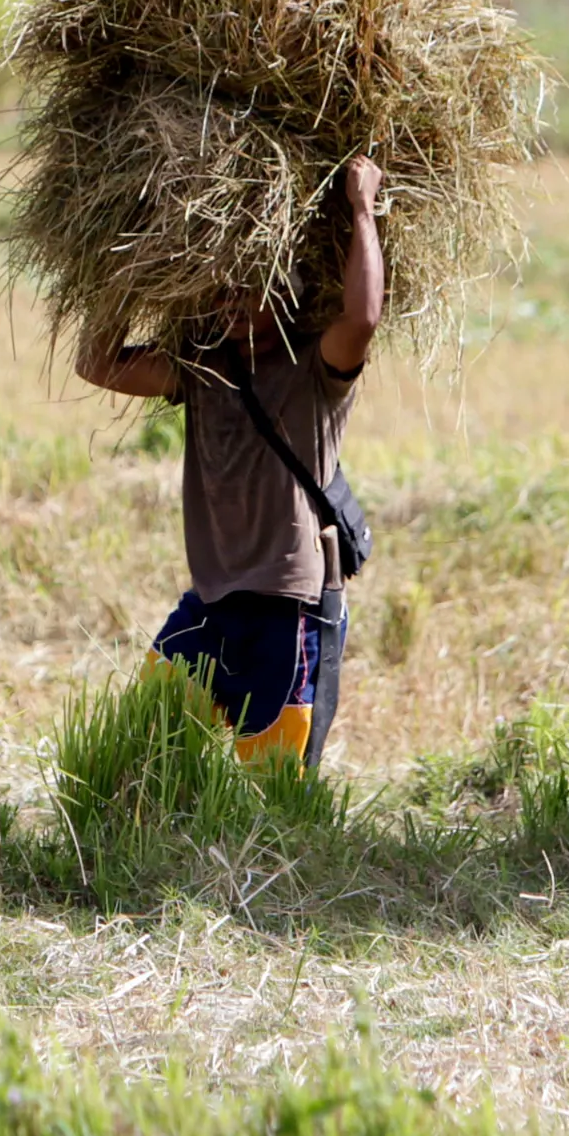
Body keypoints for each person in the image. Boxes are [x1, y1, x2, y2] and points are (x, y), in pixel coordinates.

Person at [77, 155, 385, 765]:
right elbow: (97, 361)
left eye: (250, 288)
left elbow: (363, 318)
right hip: (211, 605)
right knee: (144, 754)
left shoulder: (314, 373)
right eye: (220, 288)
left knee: (277, 797)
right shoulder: (201, 368)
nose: (232, 303)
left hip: (288, 614)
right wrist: (128, 241)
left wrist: (360, 209)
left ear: (287, 293)